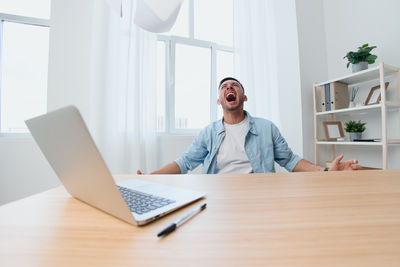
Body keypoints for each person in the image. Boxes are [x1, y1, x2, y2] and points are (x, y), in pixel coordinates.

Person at [138, 77, 361, 175]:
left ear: (244, 97)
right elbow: (184, 163)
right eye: (224, 87)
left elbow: (290, 160)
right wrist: (151, 176)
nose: (229, 88)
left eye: (235, 85)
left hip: (260, 195)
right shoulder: (208, 132)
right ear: (219, 101)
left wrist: (325, 171)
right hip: (217, 196)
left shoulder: (267, 128)